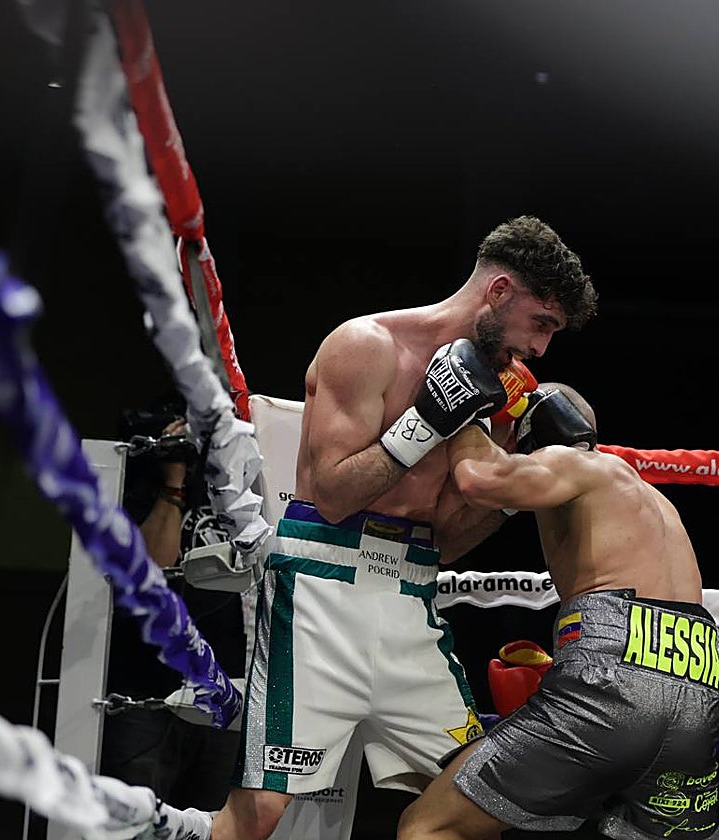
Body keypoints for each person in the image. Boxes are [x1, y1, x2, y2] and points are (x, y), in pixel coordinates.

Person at [211, 215, 598, 840]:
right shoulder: (368, 346)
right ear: (499, 293)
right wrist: (425, 421)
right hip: (319, 593)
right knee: (258, 816)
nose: (541, 349)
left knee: (472, 806)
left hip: (411, 598)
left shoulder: (493, 395)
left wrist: (513, 488)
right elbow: (333, 494)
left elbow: (448, 536)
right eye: (542, 324)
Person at [397, 383, 719, 840]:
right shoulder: (654, 500)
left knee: (429, 826)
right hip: (697, 689)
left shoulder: (575, 463)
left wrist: (463, 408)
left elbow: (479, 479)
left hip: (610, 686)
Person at [100, 398, 248, 812]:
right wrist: (174, 477)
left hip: (225, 691)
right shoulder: (134, 492)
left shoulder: (242, 496)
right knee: (139, 821)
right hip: (147, 688)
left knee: (218, 824)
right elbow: (156, 569)